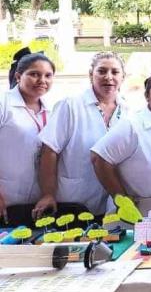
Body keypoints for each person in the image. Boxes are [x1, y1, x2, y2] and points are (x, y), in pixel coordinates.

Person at [34, 52, 128, 217]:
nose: (108, 77)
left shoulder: (128, 111)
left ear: (123, 77)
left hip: (112, 202)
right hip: (74, 200)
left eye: (115, 72)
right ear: (91, 75)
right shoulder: (70, 106)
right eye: (102, 71)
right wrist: (47, 193)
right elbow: (49, 150)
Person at [91, 73, 151, 215]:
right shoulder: (133, 126)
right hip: (142, 212)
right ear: (147, 96)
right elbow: (99, 158)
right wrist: (122, 200)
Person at [0, 53, 55, 224]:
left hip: (36, 201)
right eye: (34, 74)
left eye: (48, 75)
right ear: (18, 76)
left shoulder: (52, 108)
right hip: (6, 197)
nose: (42, 80)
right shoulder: (4, 103)